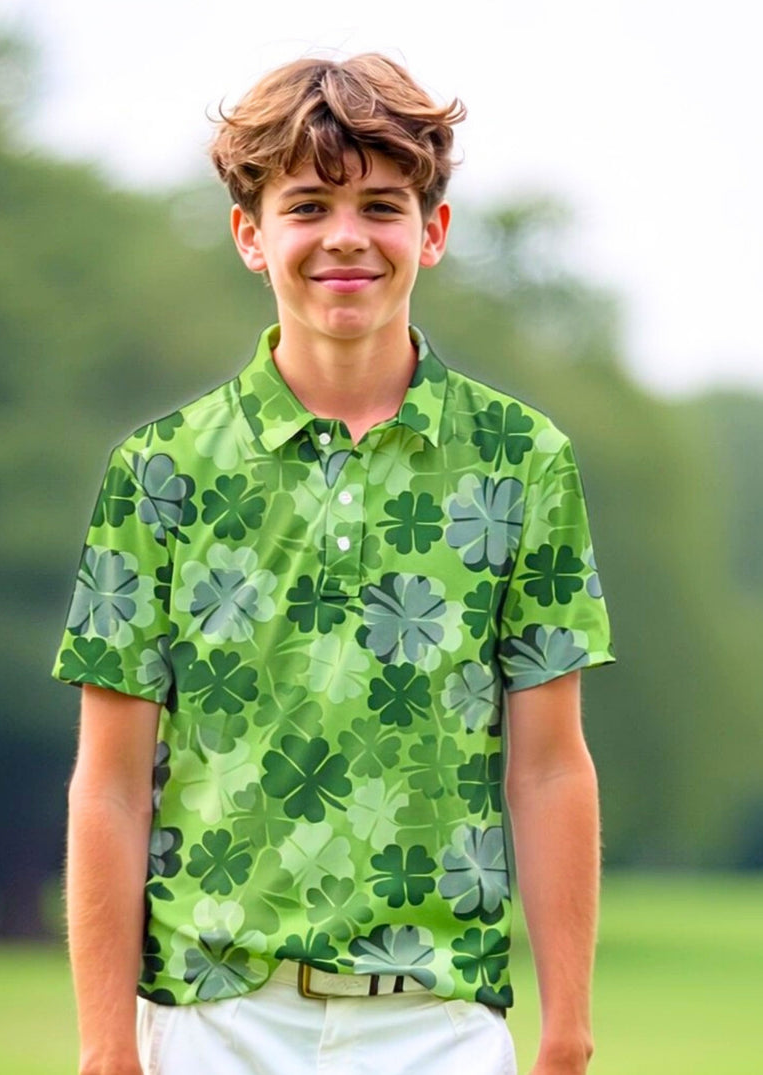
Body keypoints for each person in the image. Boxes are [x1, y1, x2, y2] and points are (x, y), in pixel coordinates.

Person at [54, 53, 614, 1075]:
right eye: (307, 206)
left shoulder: (522, 460)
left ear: (431, 232)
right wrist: (104, 1047)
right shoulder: (159, 472)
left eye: (382, 206)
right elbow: (111, 785)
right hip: (212, 1020)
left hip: (440, 1023)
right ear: (250, 234)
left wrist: (566, 1032)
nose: (345, 236)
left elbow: (546, 766)